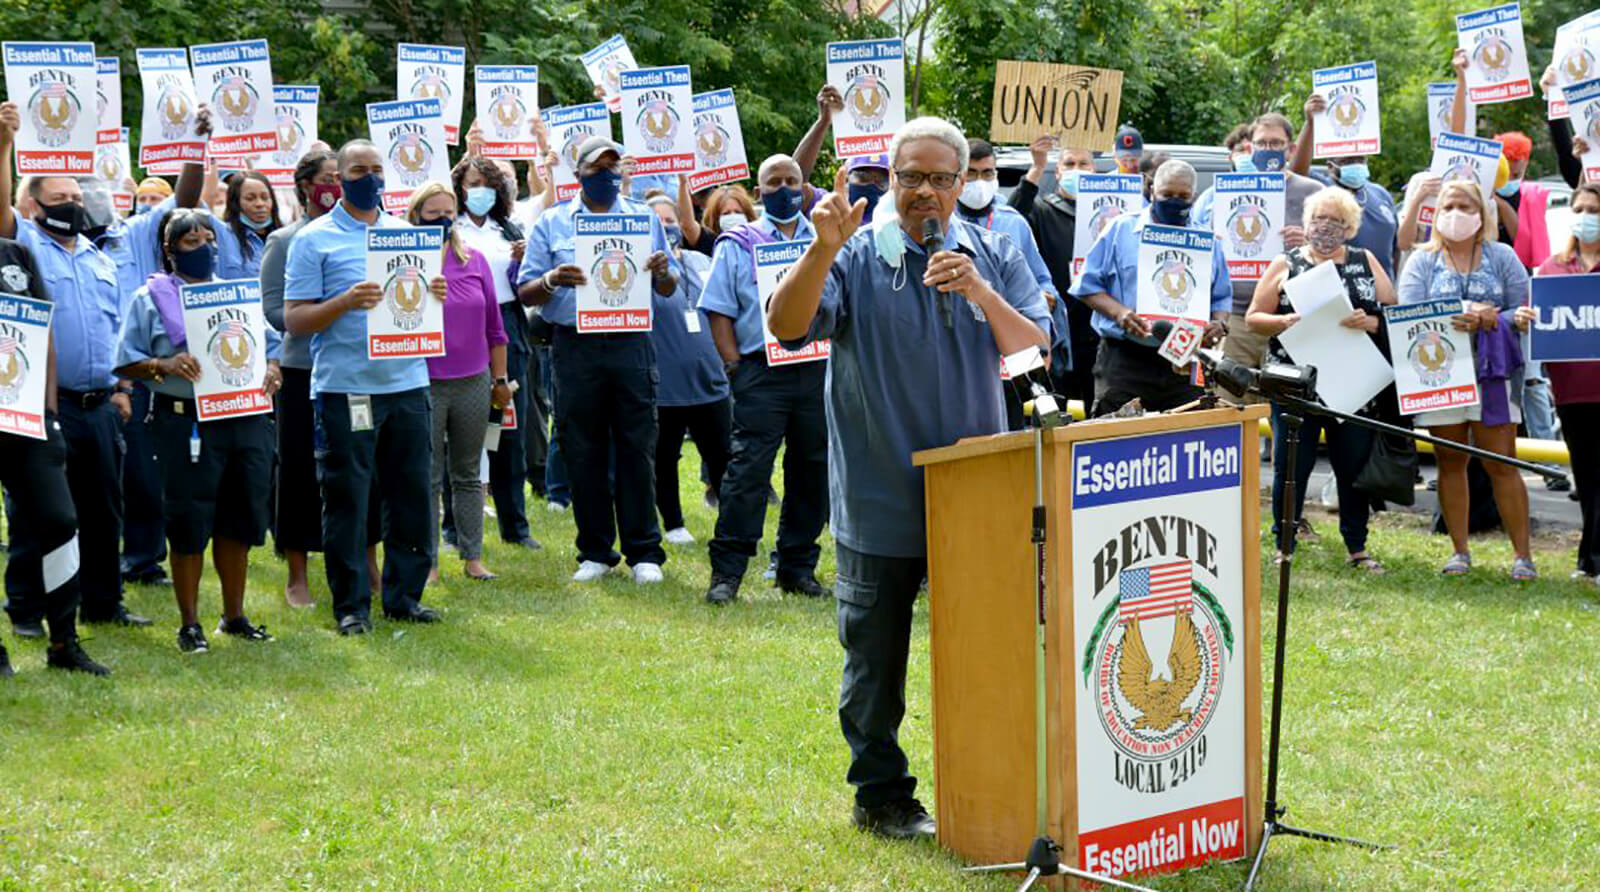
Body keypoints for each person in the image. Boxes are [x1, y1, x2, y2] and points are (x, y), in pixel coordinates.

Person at [766, 117, 1051, 840]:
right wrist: (819, 251)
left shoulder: (994, 249)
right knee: (875, 663)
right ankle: (882, 796)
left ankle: (990, 788)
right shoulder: (856, 255)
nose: (924, 192)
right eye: (909, 177)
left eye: (940, 178)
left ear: (963, 184)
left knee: (991, 656)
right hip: (880, 497)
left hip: (978, 503)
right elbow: (788, 326)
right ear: (889, 180)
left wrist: (984, 296)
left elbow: (1033, 352)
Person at [285, 139, 449, 634]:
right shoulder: (313, 239)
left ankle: (403, 596)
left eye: (378, 170)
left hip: (407, 383)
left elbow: (416, 307)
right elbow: (294, 319)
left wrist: (435, 293)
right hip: (346, 388)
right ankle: (352, 605)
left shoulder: (407, 234)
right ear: (338, 177)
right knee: (348, 499)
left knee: (412, 496)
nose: (370, 178)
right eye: (359, 170)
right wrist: (344, 303)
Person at [0, 101, 150, 631]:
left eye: (76, 197)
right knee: (39, 512)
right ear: (34, 205)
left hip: (102, 403)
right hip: (44, 403)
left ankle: (104, 602)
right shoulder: (23, 247)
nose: (72, 204)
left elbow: (115, 329)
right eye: (59, 198)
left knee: (104, 508)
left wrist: (124, 386)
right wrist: (6, 144)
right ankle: (26, 608)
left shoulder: (100, 255)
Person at [114, 209, 283, 652]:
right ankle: (190, 623)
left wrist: (272, 368)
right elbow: (125, 358)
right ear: (171, 251)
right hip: (185, 420)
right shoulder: (150, 298)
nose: (204, 248)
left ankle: (235, 615)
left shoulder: (235, 296)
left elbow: (271, 346)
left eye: (209, 238)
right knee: (189, 520)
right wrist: (161, 365)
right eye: (191, 242)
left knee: (239, 517)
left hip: (243, 418)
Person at [516, 135, 677, 584]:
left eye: (615, 166)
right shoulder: (553, 222)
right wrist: (551, 278)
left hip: (631, 342)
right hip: (574, 344)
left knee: (636, 445)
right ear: (579, 173)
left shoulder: (643, 218)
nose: (608, 174)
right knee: (580, 446)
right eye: (598, 167)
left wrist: (664, 271)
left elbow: (669, 287)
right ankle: (594, 551)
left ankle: (644, 551)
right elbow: (525, 290)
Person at [698, 154, 831, 604]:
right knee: (748, 470)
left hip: (817, 367)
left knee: (812, 469)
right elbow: (717, 308)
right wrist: (734, 365)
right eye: (773, 182)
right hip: (760, 370)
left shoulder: (823, 238)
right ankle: (727, 572)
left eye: (791, 181)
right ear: (759, 192)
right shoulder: (738, 242)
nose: (783, 189)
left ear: (804, 187)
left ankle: (797, 567)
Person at [1245, 187, 1397, 570]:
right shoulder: (1286, 262)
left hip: (1352, 384)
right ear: (1306, 223)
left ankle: (1357, 547)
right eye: (1318, 219)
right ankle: (1285, 544)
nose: (1325, 227)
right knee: (1291, 466)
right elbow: (1253, 318)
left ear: (1350, 227)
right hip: (1296, 385)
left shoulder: (1366, 261)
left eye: (1335, 221)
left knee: (1352, 466)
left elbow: (1394, 314)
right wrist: (1283, 321)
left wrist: (1373, 321)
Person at [1396, 181, 1536, 580]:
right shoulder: (1423, 261)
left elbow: (1522, 308)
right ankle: (1460, 551)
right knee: (1450, 461)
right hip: (1439, 377)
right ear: (1436, 213)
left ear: (1482, 213)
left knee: (1503, 463)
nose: (1456, 213)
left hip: (1495, 377)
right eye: (1449, 205)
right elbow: (1409, 312)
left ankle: (1522, 556)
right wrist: (1463, 310)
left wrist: (1497, 318)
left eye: (1465, 205)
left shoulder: (1503, 256)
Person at [0, 234, 111, 676]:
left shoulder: (15, 253)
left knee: (61, 521)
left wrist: (48, 412)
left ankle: (63, 643)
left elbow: (42, 332)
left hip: (29, 419)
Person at [407, 182, 512, 583]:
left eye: (448, 211)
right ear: (415, 215)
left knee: (468, 473)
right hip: (424, 382)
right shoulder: (404, 263)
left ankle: (473, 557)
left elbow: (495, 328)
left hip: (473, 380)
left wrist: (500, 380)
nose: (442, 219)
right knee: (428, 476)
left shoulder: (476, 260)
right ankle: (428, 561)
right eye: (432, 212)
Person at [1070, 159, 1232, 415]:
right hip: (1125, 358)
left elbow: (1221, 298)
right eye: (1167, 194)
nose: (1175, 201)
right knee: (1112, 440)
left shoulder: (1208, 242)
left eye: (1183, 196)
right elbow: (1086, 285)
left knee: (1187, 439)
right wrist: (1119, 313)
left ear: (1194, 196)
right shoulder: (1120, 230)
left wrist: (1219, 323)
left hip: (1183, 358)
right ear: (1151, 190)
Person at [452, 147, 542, 553]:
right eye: (474, 186)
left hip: (507, 325)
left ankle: (515, 526)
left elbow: (526, 284)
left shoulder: (510, 230)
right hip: (462, 327)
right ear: (459, 189)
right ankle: (454, 528)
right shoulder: (446, 229)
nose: (481, 192)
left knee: (510, 431)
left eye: (489, 186)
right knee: (459, 432)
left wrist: (526, 258)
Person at [262, 149, 339, 608]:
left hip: (352, 368)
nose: (335, 186)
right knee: (298, 471)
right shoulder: (284, 240)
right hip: (301, 371)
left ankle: (363, 561)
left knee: (354, 468)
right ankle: (297, 575)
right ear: (306, 185)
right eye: (327, 178)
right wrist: (325, 312)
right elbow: (274, 311)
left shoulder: (361, 234)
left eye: (341, 177)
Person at [1194, 113, 1324, 382]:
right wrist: (1213, 244)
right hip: (1236, 319)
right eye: (1262, 143)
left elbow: (1339, 254)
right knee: (1228, 404)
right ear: (1250, 146)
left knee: (1287, 409)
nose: (1269, 150)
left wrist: (1310, 243)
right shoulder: (1221, 193)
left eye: (1276, 143)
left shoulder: (1314, 192)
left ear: (1291, 148)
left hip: (1291, 322)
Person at [644, 191, 732, 545]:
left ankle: (733, 520)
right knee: (664, 457)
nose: (667, 228)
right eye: (659, 222)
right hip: (665, 383)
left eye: (671, 220)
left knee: (723, 454)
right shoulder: (645, 273)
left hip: (709, 379)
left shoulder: (699, 261)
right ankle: (674, 523)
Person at [959, 138, 1064, 429]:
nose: (979, 182)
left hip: (1014, 347)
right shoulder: (943, 219)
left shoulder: (1013, 222)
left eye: (988, 173)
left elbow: (1042, 278)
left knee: (1015, 426)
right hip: (966, 348)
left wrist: (1047, 296)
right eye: (971, 173)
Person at [1533, 182, 1600, 582]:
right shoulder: (1552, 268)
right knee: (1588, 475)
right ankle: (1590, 558)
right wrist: (1528, 318)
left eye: (1594, 209)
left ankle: (1590, 559)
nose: (1586, 217)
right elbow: (1543, 318)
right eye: (1580, 209)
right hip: (1572, 391)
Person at [1010, 138, 1100, 406]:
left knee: (1098, 408)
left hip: (1096, 326)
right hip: (1059, 325)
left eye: (1083, 163)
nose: (1076, 168)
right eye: (1069, 163)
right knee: (1057, 405)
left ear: (1094, 170)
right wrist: (1036, 170)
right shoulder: (1042, 210)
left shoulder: (1110, 213)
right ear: (1058, 171)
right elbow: (1012, 217)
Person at [1295, 94, 1399, 278]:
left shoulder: (1380, 193)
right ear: (1330, 166)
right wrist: (1311, 124)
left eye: (1360, 159)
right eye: (1347, 160)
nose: (1356, 163)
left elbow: (1395, 248)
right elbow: (1296, 172)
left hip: (1381, 293)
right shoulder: (1322, 189)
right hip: (1342, 289)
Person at [212, 171, 281, 279]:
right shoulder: (223, 234)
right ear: (235, 202)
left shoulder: (285, 238)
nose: (260, 204)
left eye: (264, 197)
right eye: (250, 198)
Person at [678, 181, 757, 257]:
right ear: (716, 218)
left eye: (738, 212)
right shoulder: (711, 241)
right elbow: (687, 225)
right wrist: (683, 184)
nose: (733, 216)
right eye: (726, 213)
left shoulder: (757, 239)